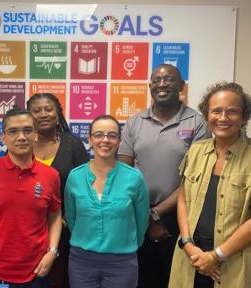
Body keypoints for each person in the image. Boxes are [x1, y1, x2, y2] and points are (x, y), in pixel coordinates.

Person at [169, 82, 251, 288]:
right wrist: (188, 244)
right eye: (216, 111)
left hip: (237, 263)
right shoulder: (196, 151)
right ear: (207, 115)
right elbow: (183, 199)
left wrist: (216, 256)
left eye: (232, 111)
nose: (223, 118)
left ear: (244, 117)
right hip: (192, 259)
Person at [118, 64, 210, 288]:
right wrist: (146, 217)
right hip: (137, 215)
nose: (161, 84)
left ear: (181, 86)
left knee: (175, 281)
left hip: (180, 217)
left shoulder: (198, 123)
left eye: (168, 79)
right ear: (150, 86)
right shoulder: (135, 122)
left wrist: (156, 215)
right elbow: (124, 173)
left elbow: (194, 179)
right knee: (141, 280)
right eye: (156, 80)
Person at [0, 107, 63, 288]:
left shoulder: (51, 175)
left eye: (27, 130)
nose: (21, 137)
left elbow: (55, 216)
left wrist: (52, 252)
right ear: (3, 138)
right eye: (13, 131)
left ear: (35, 135)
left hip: (37, 273)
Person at [65, 115, 149, 288]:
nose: (105, 140)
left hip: (122, 262)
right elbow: (72, 219)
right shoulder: (75, 177)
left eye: (112, 135)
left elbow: (142, 221)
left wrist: (125, 245)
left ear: (119, 140)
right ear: (89, 139)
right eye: (98, 134)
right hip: (82, 262)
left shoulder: (134, 178)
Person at [26, 92, 89, 288]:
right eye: (36, 111)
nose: (43, 114)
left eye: (48, 109)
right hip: (27, 229)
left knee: (60, 279)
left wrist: (66, 218)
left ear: (58, 113)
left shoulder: (73, 144)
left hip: (67, 230)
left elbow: (85, 187)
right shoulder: (22, 144)